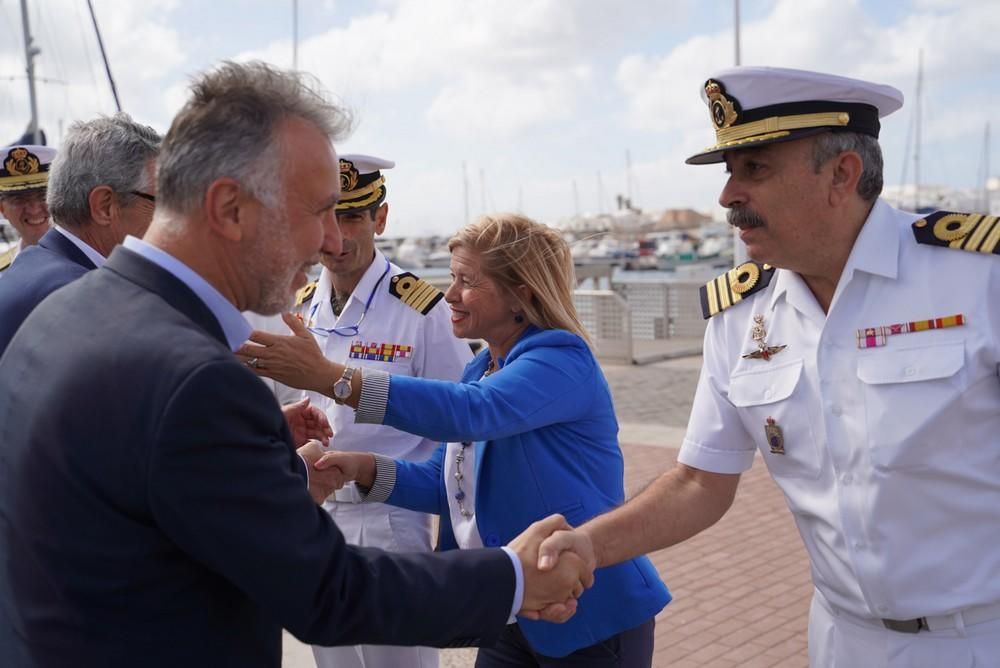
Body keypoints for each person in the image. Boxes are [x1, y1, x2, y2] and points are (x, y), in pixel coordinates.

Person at [0, 61, 593, 668]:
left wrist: (264, 470)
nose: (330, 241)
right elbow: (328, 593)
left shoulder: (61, 313)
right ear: (230, 208)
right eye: (318, 211)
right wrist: (512, 580)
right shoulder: (199, 382)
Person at [536, 66, 1000, 668]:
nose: (728, 195)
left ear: (842, 174)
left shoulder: (978, 277)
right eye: (730, 172)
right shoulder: (740, 316)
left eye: (754, 169)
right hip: (840, 638)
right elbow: (701, 483)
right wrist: (588, 545)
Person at [240, 213, 671, 667]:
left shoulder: (561, 359)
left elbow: (471, 412)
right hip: (515, 608)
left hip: (588, 610)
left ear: (521, 293)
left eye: (467, 281)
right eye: (451, 278)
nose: (450, 295)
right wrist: (362, 468)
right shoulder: (482, 366)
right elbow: (448, 483)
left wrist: (334, 379)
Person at [288, 153, 471, 668]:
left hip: (390, 514)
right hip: (318, 510)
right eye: (329, 217)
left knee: (400, 661)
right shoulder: (305, 305)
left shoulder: (421, 310)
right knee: (335, 658)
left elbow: (459, 419)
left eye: (352, 217)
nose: (338, 236)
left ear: (380, 220)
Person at [0, 114, 160, 355]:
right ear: (104, 206)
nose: (166, 218)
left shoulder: (32, 266)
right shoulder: (87, 296)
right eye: (159, 201)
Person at [0, 143, 56, 273]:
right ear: (2, 208)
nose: (34, 209)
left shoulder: (95, 263)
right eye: (18, 199)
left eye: (43, 195)